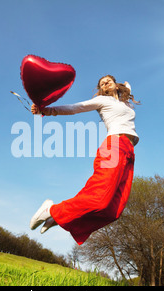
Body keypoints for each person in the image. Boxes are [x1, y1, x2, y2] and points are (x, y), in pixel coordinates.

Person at [30, 75, 140, 245]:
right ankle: (51, 210)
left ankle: (59, 218)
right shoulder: (103, 101)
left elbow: (127, 86)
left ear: (115, 84)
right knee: (99, 199)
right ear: (101, 89)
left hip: (129, 151)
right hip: (114, 146)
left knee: (113, 210)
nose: (105, 83)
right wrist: (46, 110)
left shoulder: (124, 102)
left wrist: (126, 87)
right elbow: (76, 108)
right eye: (102, 83)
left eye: (108, 80)